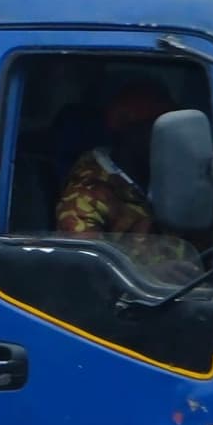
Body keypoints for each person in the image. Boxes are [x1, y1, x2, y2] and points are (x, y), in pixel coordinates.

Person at [53, 77, 203, 281]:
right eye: (156, 132)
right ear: (128, 132)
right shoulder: (86, 196)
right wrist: (149, 275)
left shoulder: (172, 181)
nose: (169, 143)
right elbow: (84, 273)